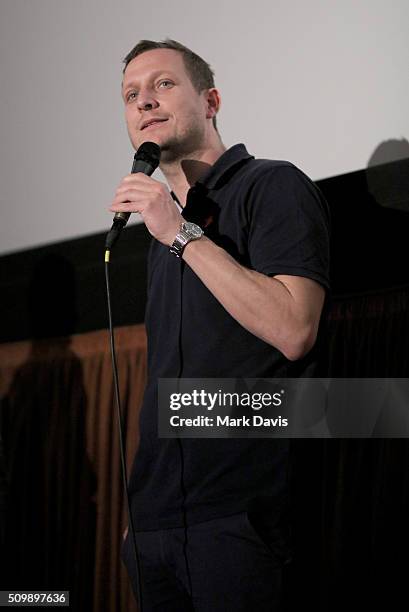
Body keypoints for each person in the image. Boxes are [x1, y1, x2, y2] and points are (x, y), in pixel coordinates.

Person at [110, 38, 330, 611]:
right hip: (155, 525)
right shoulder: (162, 232)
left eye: (162, 85)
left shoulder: (273, 185)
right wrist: (140, 511)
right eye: (131, 95)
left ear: (211, 100)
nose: (144, 103)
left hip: (240, 516)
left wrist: (182, 235)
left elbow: (295, 328)